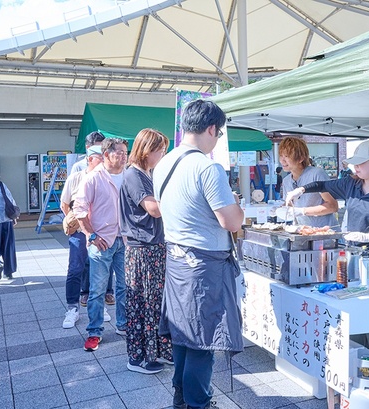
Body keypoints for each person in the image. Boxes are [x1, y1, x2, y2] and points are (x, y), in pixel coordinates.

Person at [285, 139, 369, 381]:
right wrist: (301, 189)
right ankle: (363, 363)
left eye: (360, 164)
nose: (356, 169)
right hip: (353, 258)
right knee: (358, 313)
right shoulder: (352, 184)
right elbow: (323, 183)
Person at [153, 99, 244, 409]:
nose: (217, 139)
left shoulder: (163, 163)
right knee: (203, 344)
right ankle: (198, 403)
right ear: (210, 129)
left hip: (177, 262)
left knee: (183, 337)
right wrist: (237, 205)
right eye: (218, 133)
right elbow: (231, 221)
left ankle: (181, 400)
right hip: (204, 266)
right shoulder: (207, 167)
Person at [120, 128, 172, 374]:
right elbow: (154, 209)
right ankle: (138, 357)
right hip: (142, 249)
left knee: (155, 302)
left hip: (152, 246)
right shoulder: (134, 175)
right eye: (160, 150)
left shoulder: (146, 173)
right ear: (146, 150)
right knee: (143, 303)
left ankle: (157, 352)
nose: (163, 154)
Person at [74, 138, 127, 352]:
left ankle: (123, 324)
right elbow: (79, 209)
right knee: (96, 290)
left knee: (125, 287)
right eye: (119, 153)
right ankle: (94, 331)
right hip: (102, 241)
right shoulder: (93, 178)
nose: (124, 157)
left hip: (125, 239)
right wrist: (91, 234)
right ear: (106, 155)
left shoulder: (129, 174)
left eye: (125, 153)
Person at [60, 145, 113, 329]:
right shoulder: (76, 177)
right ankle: (72, 308)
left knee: (98, 270)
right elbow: (65, 203)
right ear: (90, 159)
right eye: (100, 157)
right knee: (75, 268)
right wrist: (74, 221)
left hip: (100, 231)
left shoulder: (108, 177)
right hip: (80, 232)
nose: (105, 160)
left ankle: (99, 307)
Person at [279, 137, 338, 227]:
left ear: (301, 158)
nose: (282, 160)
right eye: (281, 156)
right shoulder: (286, 180)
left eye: (287, 156)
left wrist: (302, 211)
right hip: (302, 232)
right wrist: (280, 209)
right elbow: (291, 205)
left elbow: (332, 206)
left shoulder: (317, 174)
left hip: (324, 232)